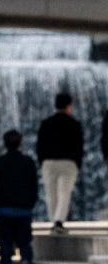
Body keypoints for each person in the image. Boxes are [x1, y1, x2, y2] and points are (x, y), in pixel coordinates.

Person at [0, 130, 38, 264]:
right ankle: (25, 260)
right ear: (20, 143)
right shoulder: (28, 162)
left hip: (5, 210)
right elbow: (34, 186)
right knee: (25, 241)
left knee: (5, 246)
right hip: (24, 210)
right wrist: (30, 203)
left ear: (4, 144)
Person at [36, 92, 83, 235]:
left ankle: (54, 221)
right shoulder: (74, 124)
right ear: (68, 106)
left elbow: (39, 145)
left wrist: (42, 162)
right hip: (68, 163)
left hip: (49, 163)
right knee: (64, 193)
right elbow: (79, 146)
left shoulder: (46, 124)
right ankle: (58, 221)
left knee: (51, 194)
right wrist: (77, 164)